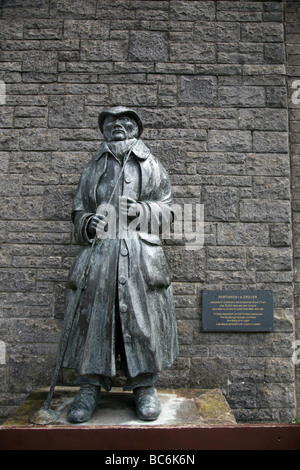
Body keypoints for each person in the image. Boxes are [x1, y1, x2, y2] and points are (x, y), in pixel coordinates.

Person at [61, 106, 178, 423]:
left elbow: (168, 213)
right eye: (111, 122)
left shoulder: (151, 166)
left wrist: (140, 210)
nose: (118, 126)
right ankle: (89, 388)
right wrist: (88, 222)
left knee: (142, 322)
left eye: (125, 122)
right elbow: (78, 211)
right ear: (104, 130)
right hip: (99, 255)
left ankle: (144, 387)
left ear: (136, 128)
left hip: (139, 255)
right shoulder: (93, 168)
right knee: (95, 322)